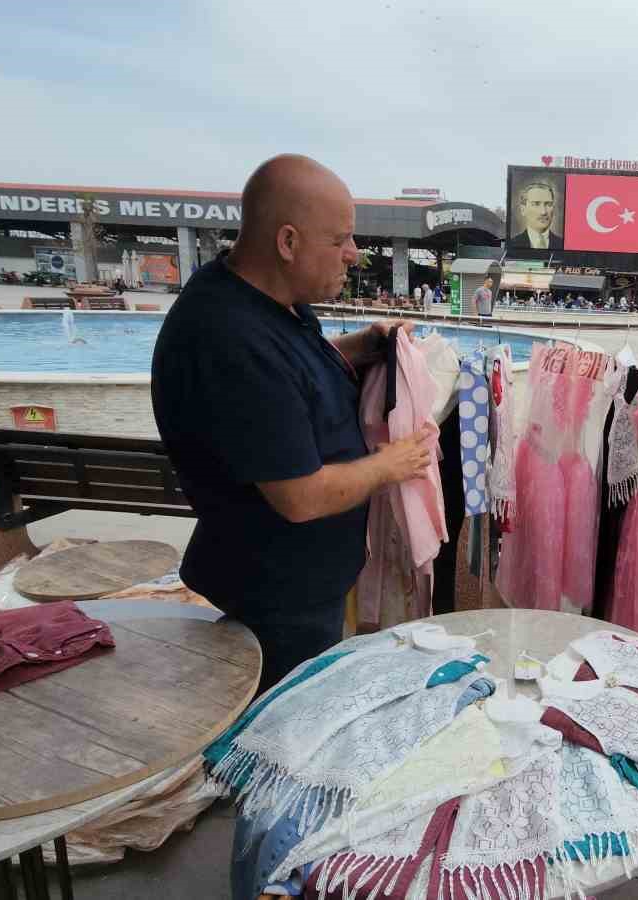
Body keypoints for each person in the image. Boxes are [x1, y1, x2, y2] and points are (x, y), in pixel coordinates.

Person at [150, 154, 433, 693]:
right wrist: (389, 464)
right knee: (283, 731)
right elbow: (299, 496)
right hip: (276, 597)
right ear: (287, 242)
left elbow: (288, 378)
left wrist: (359, 348)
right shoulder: (230, 340)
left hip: (292, 583)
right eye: (340, 240)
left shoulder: (262, 301)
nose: (353, 255)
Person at [508, 181, 563, 249]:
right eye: (536, 204)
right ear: (523, 209)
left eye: (548, 204)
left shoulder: (563, 244)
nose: (543, 212)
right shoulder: (512, 244)